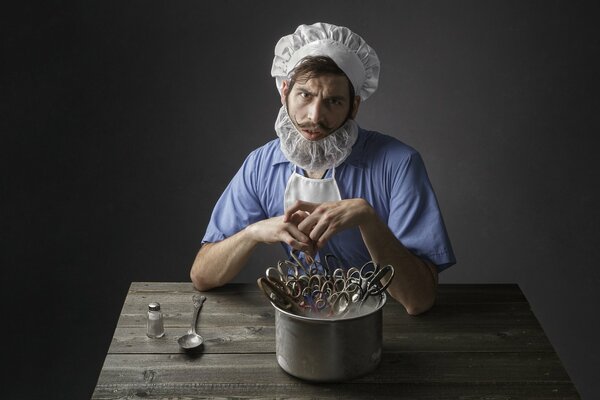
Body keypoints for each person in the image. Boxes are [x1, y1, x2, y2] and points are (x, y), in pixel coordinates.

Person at [190, 22, 455, 315]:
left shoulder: (399, 164)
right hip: (298, 317)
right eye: (305, 95)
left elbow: (419, 299)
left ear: (353, 106)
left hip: (384, 323)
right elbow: (202, 276)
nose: (315, 116)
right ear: (284, 91)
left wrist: (369, 220)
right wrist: (252, 232)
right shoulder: (260, 165)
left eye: (333, 101)